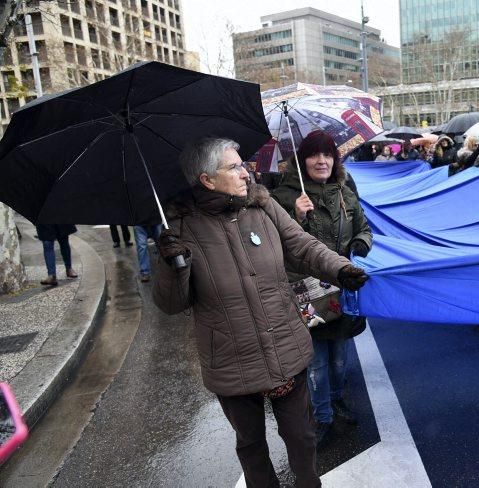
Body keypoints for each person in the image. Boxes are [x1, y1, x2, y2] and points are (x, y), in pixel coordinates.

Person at [152, 137, 368, 488]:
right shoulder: (178, 228)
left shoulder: (262, 205)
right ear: (207, 179)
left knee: (302, 435)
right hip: (229, 354)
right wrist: (171, 265)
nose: (245, 172)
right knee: (251, 445)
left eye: (243, 164)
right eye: (234, 167)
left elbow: (302, 246)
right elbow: (171, 303)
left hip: (283, 341)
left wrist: (340, 269)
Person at [271, 130, 373, 447]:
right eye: (314, 154)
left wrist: (358, 245)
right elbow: (276, 246)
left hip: (341, 289)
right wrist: (297, 218)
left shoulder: (345, 189)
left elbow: (365, 228)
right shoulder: (284, 197)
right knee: (316, 361)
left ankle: (337, 399)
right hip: (306, 291)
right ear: (302, 160)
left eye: (328, 154)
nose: (322, 160)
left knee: (340, 358)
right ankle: (323, 415)